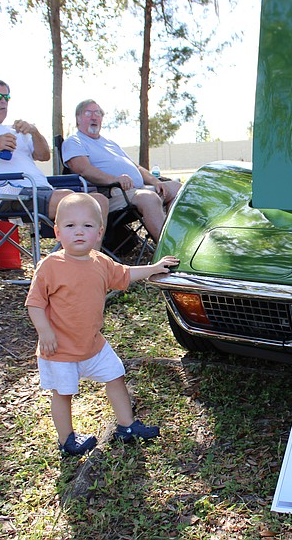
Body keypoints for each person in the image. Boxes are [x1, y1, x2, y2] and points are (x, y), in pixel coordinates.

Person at [25, 192, 180, 457]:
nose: (79, 232)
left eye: (87, 226)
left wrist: (154, 268)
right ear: (58, 232)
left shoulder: (101, 262)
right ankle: (67, 440)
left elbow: (126, 274)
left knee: (115, 375)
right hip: (60, 349)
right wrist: (45, 331)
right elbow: (35, 303)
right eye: (70, 226)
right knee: (63, 394)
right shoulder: (50, 266)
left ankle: (127, 426)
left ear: (99, 233)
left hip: (93, 344)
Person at [0, 78, 109, 231]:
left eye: (6, 97)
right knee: (71, 200)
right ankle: (70, 259)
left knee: (100, 201)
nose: (3, 101)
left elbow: (44, 155)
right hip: (11, 196)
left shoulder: (16, 129)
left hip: (42, 190)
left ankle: (91, 259)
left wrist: (34, 132)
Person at [61, 99, 182, 240]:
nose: (94, 117)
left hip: (137, 190)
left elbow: (136, 167)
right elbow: (84, 170)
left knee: (178, 189)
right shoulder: (74, 141)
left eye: (98, 113)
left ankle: (179, 239)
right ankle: (168, 249)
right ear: (78, 118)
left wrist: (155, 182)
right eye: (88, 113)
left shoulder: (109, 143)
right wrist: (115, 179)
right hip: (112, 194)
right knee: (149, 198)